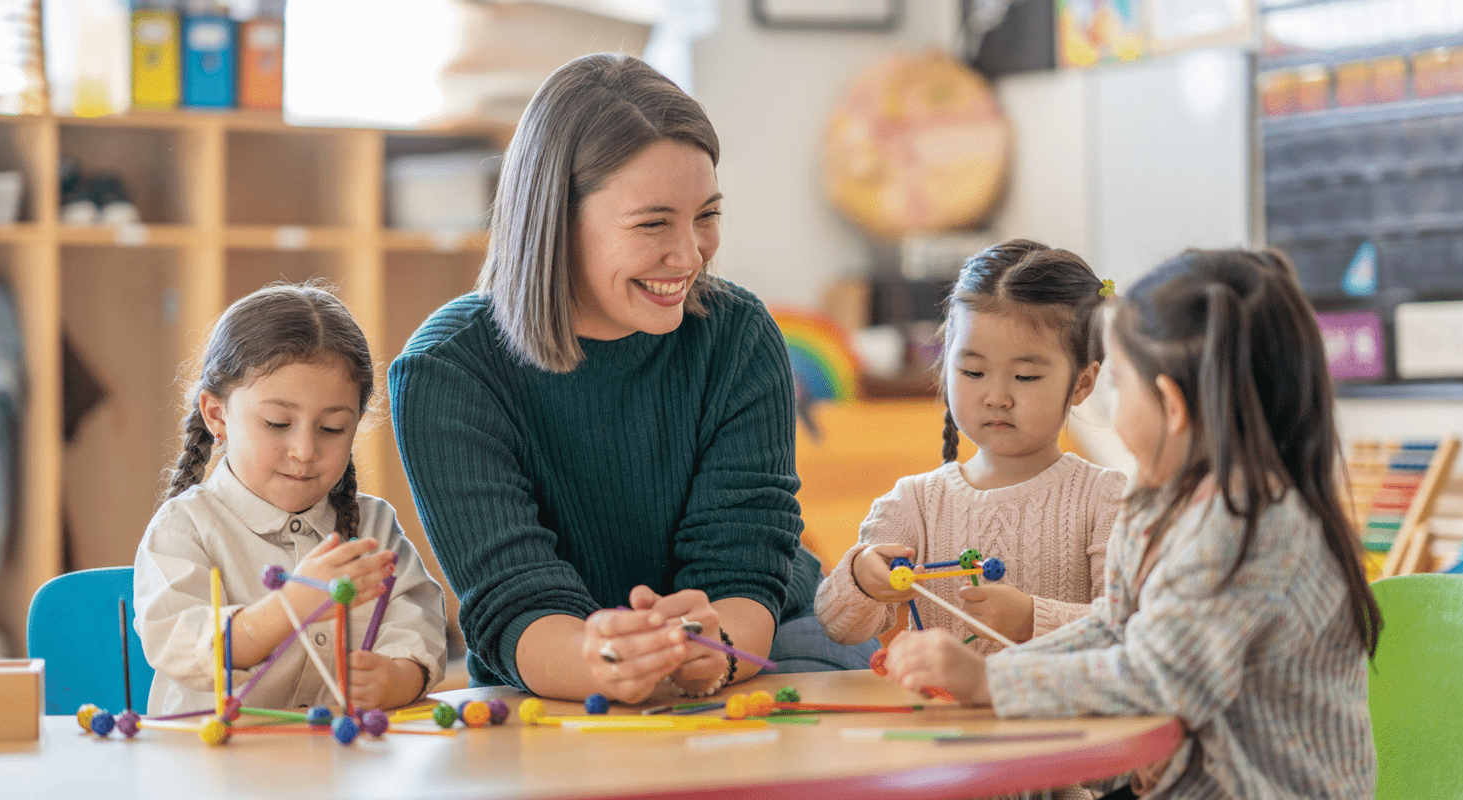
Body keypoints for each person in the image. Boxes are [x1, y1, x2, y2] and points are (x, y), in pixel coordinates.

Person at [389, 52, 872, 705]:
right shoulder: (446, 372)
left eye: (706, 215)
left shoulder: (738, 334)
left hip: (774, 646)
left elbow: (745, 573)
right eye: (653, 224)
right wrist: (608, 664)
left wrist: (713, 652)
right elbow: (513, 605)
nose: (691, 253)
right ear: (556, 221)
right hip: (559, 681)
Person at [878, 248, 1381, 799]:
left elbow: (1158, 680)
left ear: (1170, 405)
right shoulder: (1160, 500)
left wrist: (989, 682)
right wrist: (988, 675)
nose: (1109, 405)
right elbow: (1115, 627)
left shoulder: (1250, 526)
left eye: (1119, 384)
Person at [134, 283, 447, 716]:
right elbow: (183, 643)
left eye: (332, 428)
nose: (304, 450)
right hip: (211, 769)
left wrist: (396, 679)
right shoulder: (183, 528)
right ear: (217, 415)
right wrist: (292, 604)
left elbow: (419, 626)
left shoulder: (373, 528)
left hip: (336, 767)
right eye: (278, 423)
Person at [815, 240, 1126, 652]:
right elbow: (841, 628)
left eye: (1026, 377)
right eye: (973, 371)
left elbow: (1130, 628)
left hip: (1059, 715)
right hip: (942, 714)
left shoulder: (1106, 499)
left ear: (1082, 383)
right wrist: (860, 576)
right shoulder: (913, 503)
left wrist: (1031, 619)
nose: (996, 396)